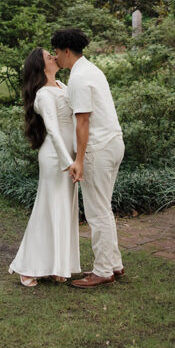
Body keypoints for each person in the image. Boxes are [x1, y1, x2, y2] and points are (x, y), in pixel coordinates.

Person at [51, 27, 125, 288]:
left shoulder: (80, 78)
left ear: (66, 51)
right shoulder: (90, 70)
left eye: (56, 52)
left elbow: (83, 121)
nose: (55, 57)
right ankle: (114, 264)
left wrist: (79, 160)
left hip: (99, 149)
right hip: (113, 143)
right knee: (103, 208)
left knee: (96, 212)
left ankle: (103, 270)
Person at [8, 47, 80, 287]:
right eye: (49, 56)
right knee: (48, 209)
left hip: (70, 156)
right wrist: (67, 162)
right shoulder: (42, 94)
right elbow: (53, 130)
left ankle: (57, 265)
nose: (54, 57)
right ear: (41, 66)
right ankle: (28, 266)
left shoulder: (62, 86)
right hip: (54, 157)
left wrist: (78, 155)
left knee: (64, 210)